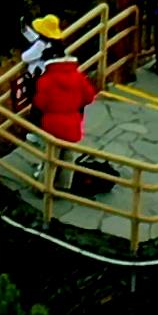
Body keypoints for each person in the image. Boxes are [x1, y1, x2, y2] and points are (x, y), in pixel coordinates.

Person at [32, 44, 104, 209]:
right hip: (72, 123)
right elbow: (89, 96)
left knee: (51, 159)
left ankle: (43, 188)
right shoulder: (78, 76)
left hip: (52, 124)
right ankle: (63, 188)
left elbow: (41, 103)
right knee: (68, 159)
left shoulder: (46, 80)